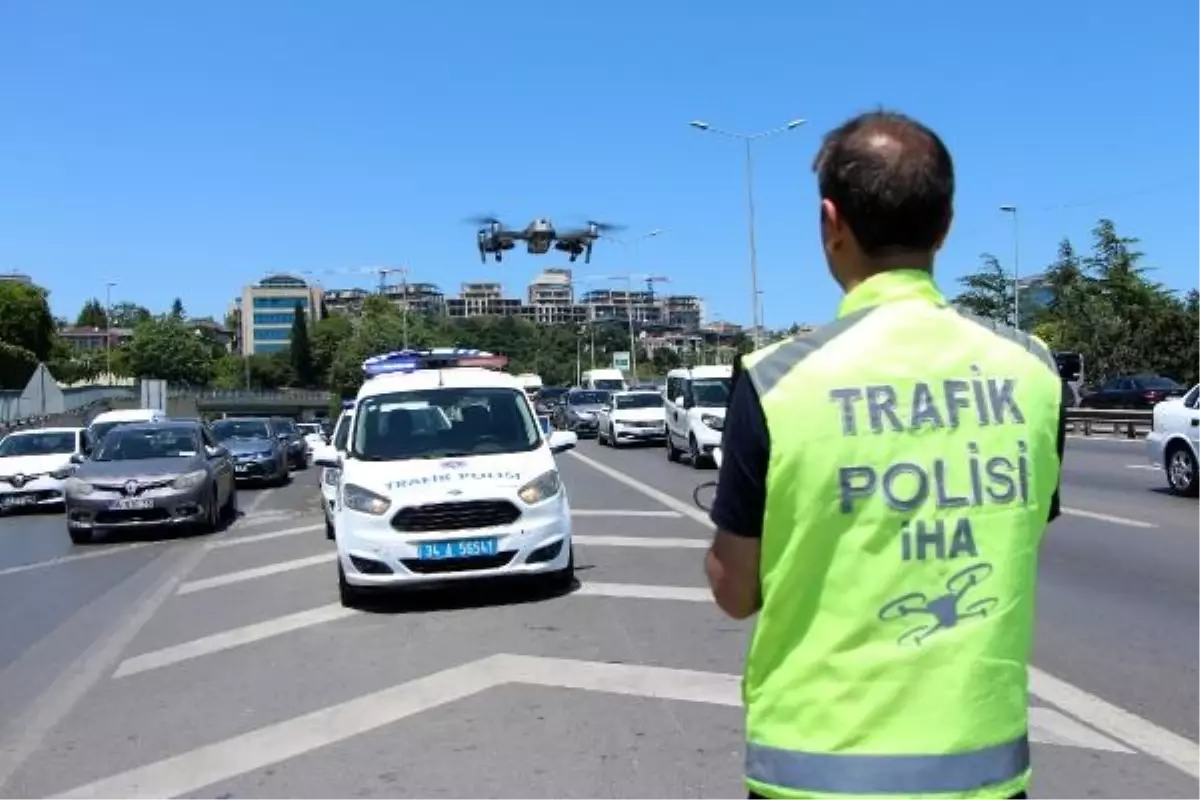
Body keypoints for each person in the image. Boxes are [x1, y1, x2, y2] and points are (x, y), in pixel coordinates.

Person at [705, 110, 1064, 800]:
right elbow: (1021, 528)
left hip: (814, 773)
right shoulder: (1033, 372)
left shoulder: (777, 380)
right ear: (947, 223)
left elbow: (735, 590)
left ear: (829, 221)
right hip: (982, 773)